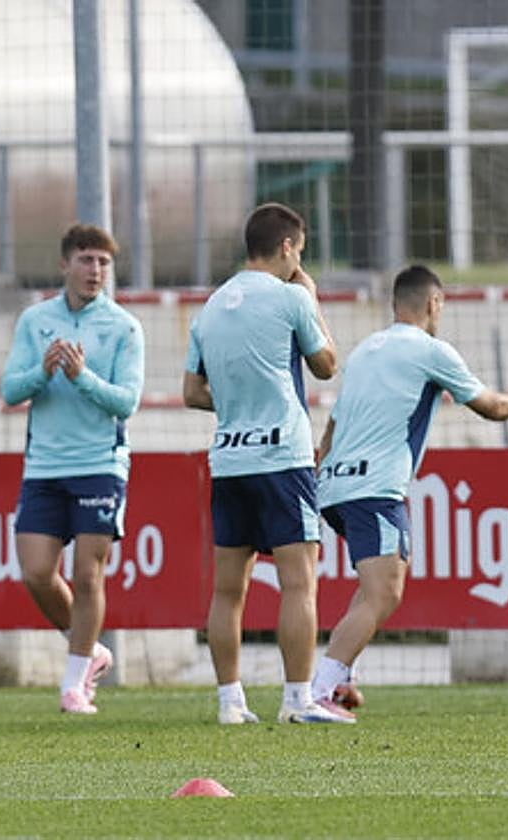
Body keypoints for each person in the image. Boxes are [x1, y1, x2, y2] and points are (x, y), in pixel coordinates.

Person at [311, 264, 508, 714]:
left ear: (394, 304)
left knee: (372, 585)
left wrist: (323, 461)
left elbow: (334, 423)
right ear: (434, 303)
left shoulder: (366, 350)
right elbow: (492, 407)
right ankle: (319, 692)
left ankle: (341, 680)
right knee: (386, 592)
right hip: (375, 487)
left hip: (336, 487)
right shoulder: (430, 350)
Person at [182, 202, 351, 725]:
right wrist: (313, 297)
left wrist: (234, 404)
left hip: (230, 459)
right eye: (299, 251)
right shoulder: (290, 298)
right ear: (286, 248)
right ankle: (298, 699)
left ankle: (230, 703)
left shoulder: (210, 307)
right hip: (283, 458)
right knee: (300, 582)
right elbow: (326, 365)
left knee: (229, 588)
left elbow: (192, 392)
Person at [0, 223, 144, 715]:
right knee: (37, 573)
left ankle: (74, 683)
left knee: (88, 575)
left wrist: (82, 377)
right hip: (44, 465)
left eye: (103, 262)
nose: (95, 270)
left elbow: (127, 402)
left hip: (100, 465)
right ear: (65, 265)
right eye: (85, 260)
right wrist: (43, 371)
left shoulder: (123, 327)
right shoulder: (35, 320)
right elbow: (10, 390)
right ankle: (90, 650)